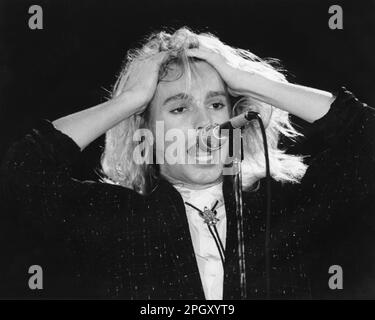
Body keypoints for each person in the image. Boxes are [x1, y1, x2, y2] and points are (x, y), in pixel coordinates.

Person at [1, 27, 374, 299]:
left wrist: (247, 80)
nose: (204, 122)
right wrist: (129, 102)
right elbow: (22, 170)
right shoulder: (112, 219)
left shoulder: (292, 205)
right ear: (144, 128)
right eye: (179, 108)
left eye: (216, 104)